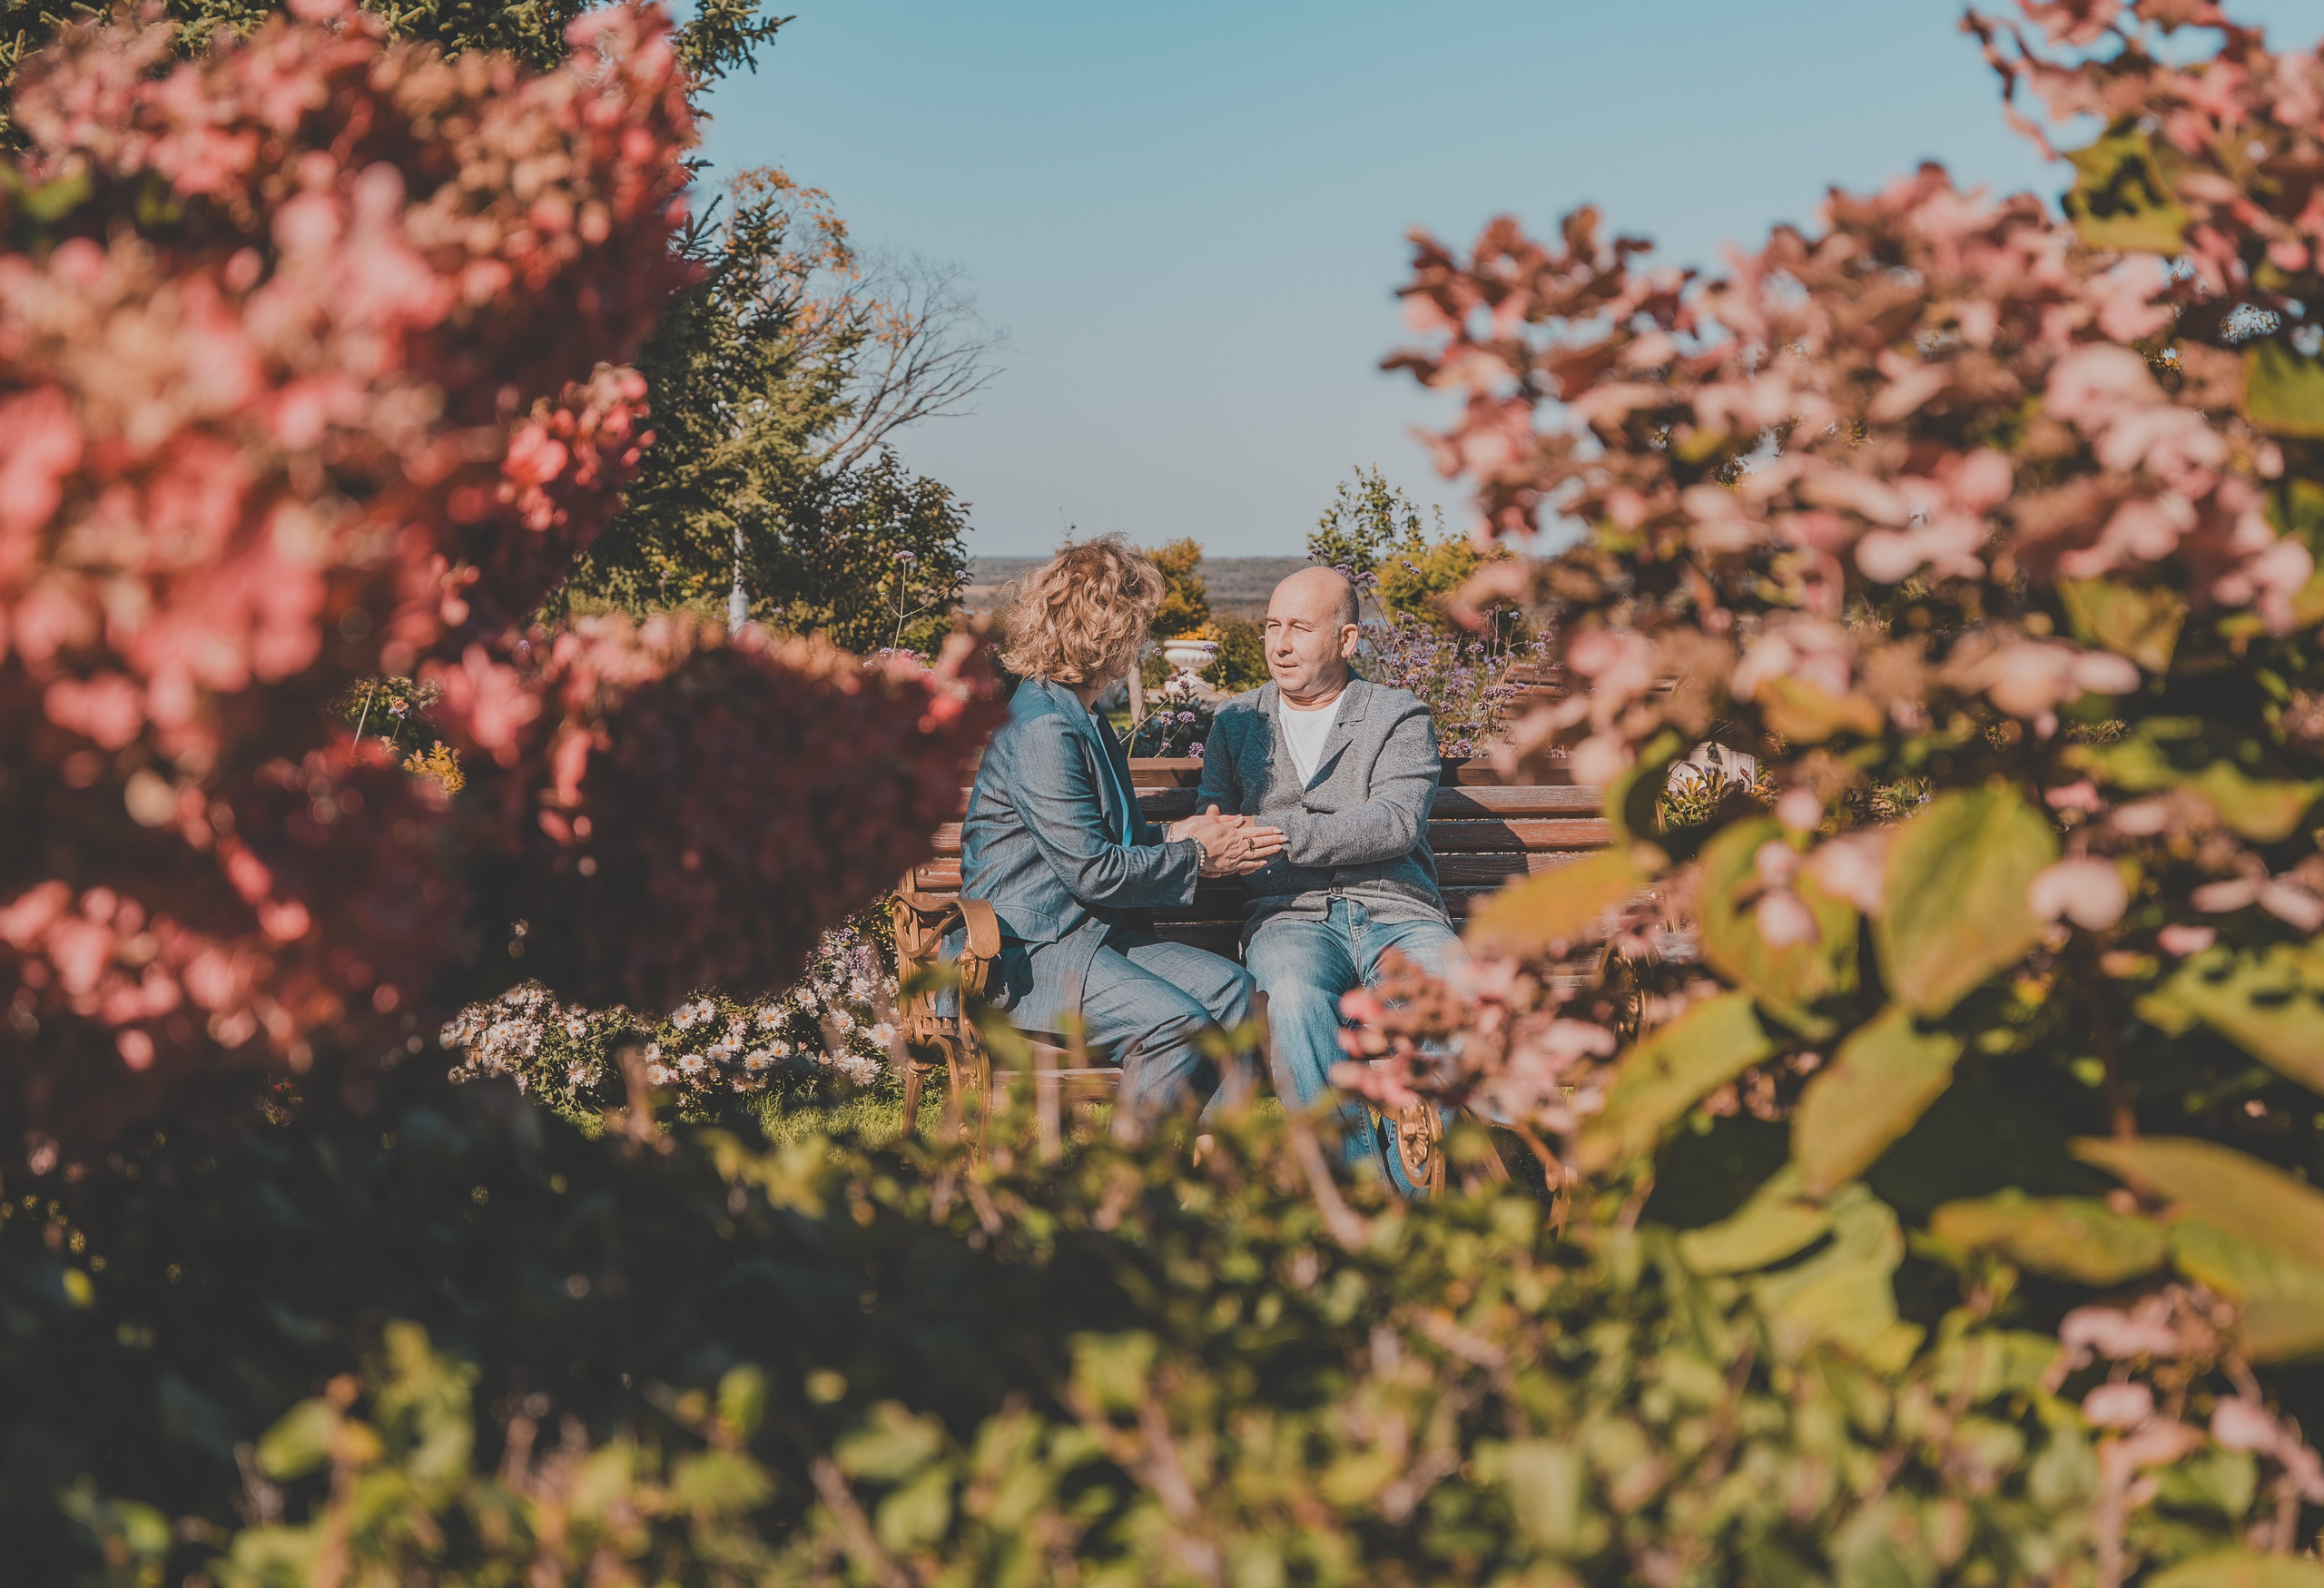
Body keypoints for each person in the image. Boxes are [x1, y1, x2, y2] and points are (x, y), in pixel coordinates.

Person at [960, 537, 1285, 1136]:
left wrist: (1179, 831)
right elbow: (1090, 869)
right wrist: (1198, 856)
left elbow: (1098, 834)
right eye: (1139, 623)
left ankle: (1210, 1177)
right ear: (1106, 628)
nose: (1144, 639)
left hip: (1089, 937)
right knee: (1175, 1026)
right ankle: (1127, 1203)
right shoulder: (1043, 727)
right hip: (1028, 952)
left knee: (1234, 993)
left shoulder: (1078, 715)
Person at [1194, 566, 1457, 1189]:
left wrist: (1277, 832)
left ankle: (1419, 1187)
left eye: (1299, 628)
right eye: (1271, 627)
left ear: (1346, 640)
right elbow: (1215, 820)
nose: (1279, 644)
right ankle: (1357, 1191)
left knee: (1453, 995)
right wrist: (1217, 835)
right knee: (1291, 999)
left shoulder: (1397, 714)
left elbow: (1393, 823)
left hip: (1398, 911)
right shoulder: (1236, 722)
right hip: (1288, 915)